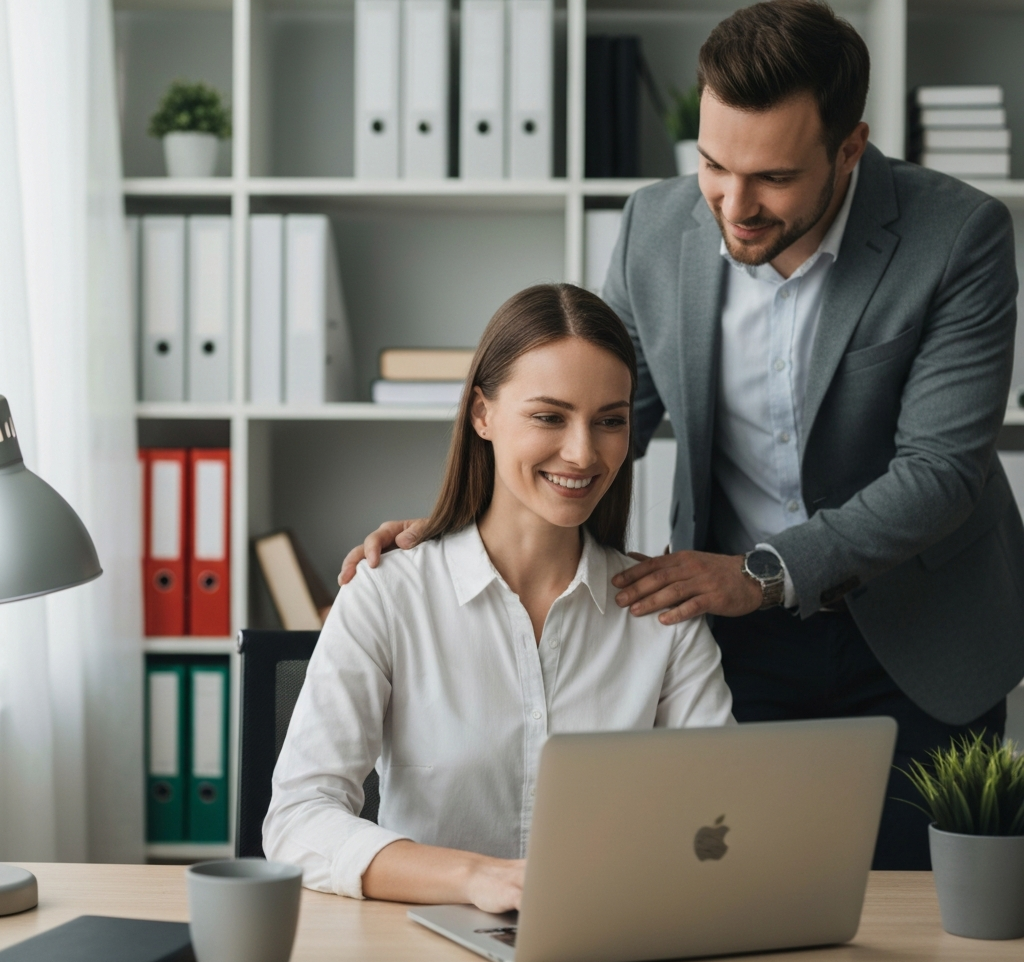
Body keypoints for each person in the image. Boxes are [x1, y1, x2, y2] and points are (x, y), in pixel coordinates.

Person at [339, 0, 1024, 871]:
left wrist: (763, 573)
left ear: (849, 149)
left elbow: (942, 471)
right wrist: (453, 525)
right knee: (746, 896)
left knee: (918, 929)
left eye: (772, 177)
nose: (732, 205)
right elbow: (600, 417)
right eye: (712, 164)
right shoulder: (656, 224)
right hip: (734, 638)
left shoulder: (957, 234)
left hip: (920, 634)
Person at [265, 284, 733, 911]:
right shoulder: (388, 594)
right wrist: (478, 878)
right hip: (424, 958)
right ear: (482, 414)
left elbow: (726, 823)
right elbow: (298, 821)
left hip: (613, 951)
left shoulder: (662, 616)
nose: (583, 452)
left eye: (610, 421)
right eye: (549, 416)